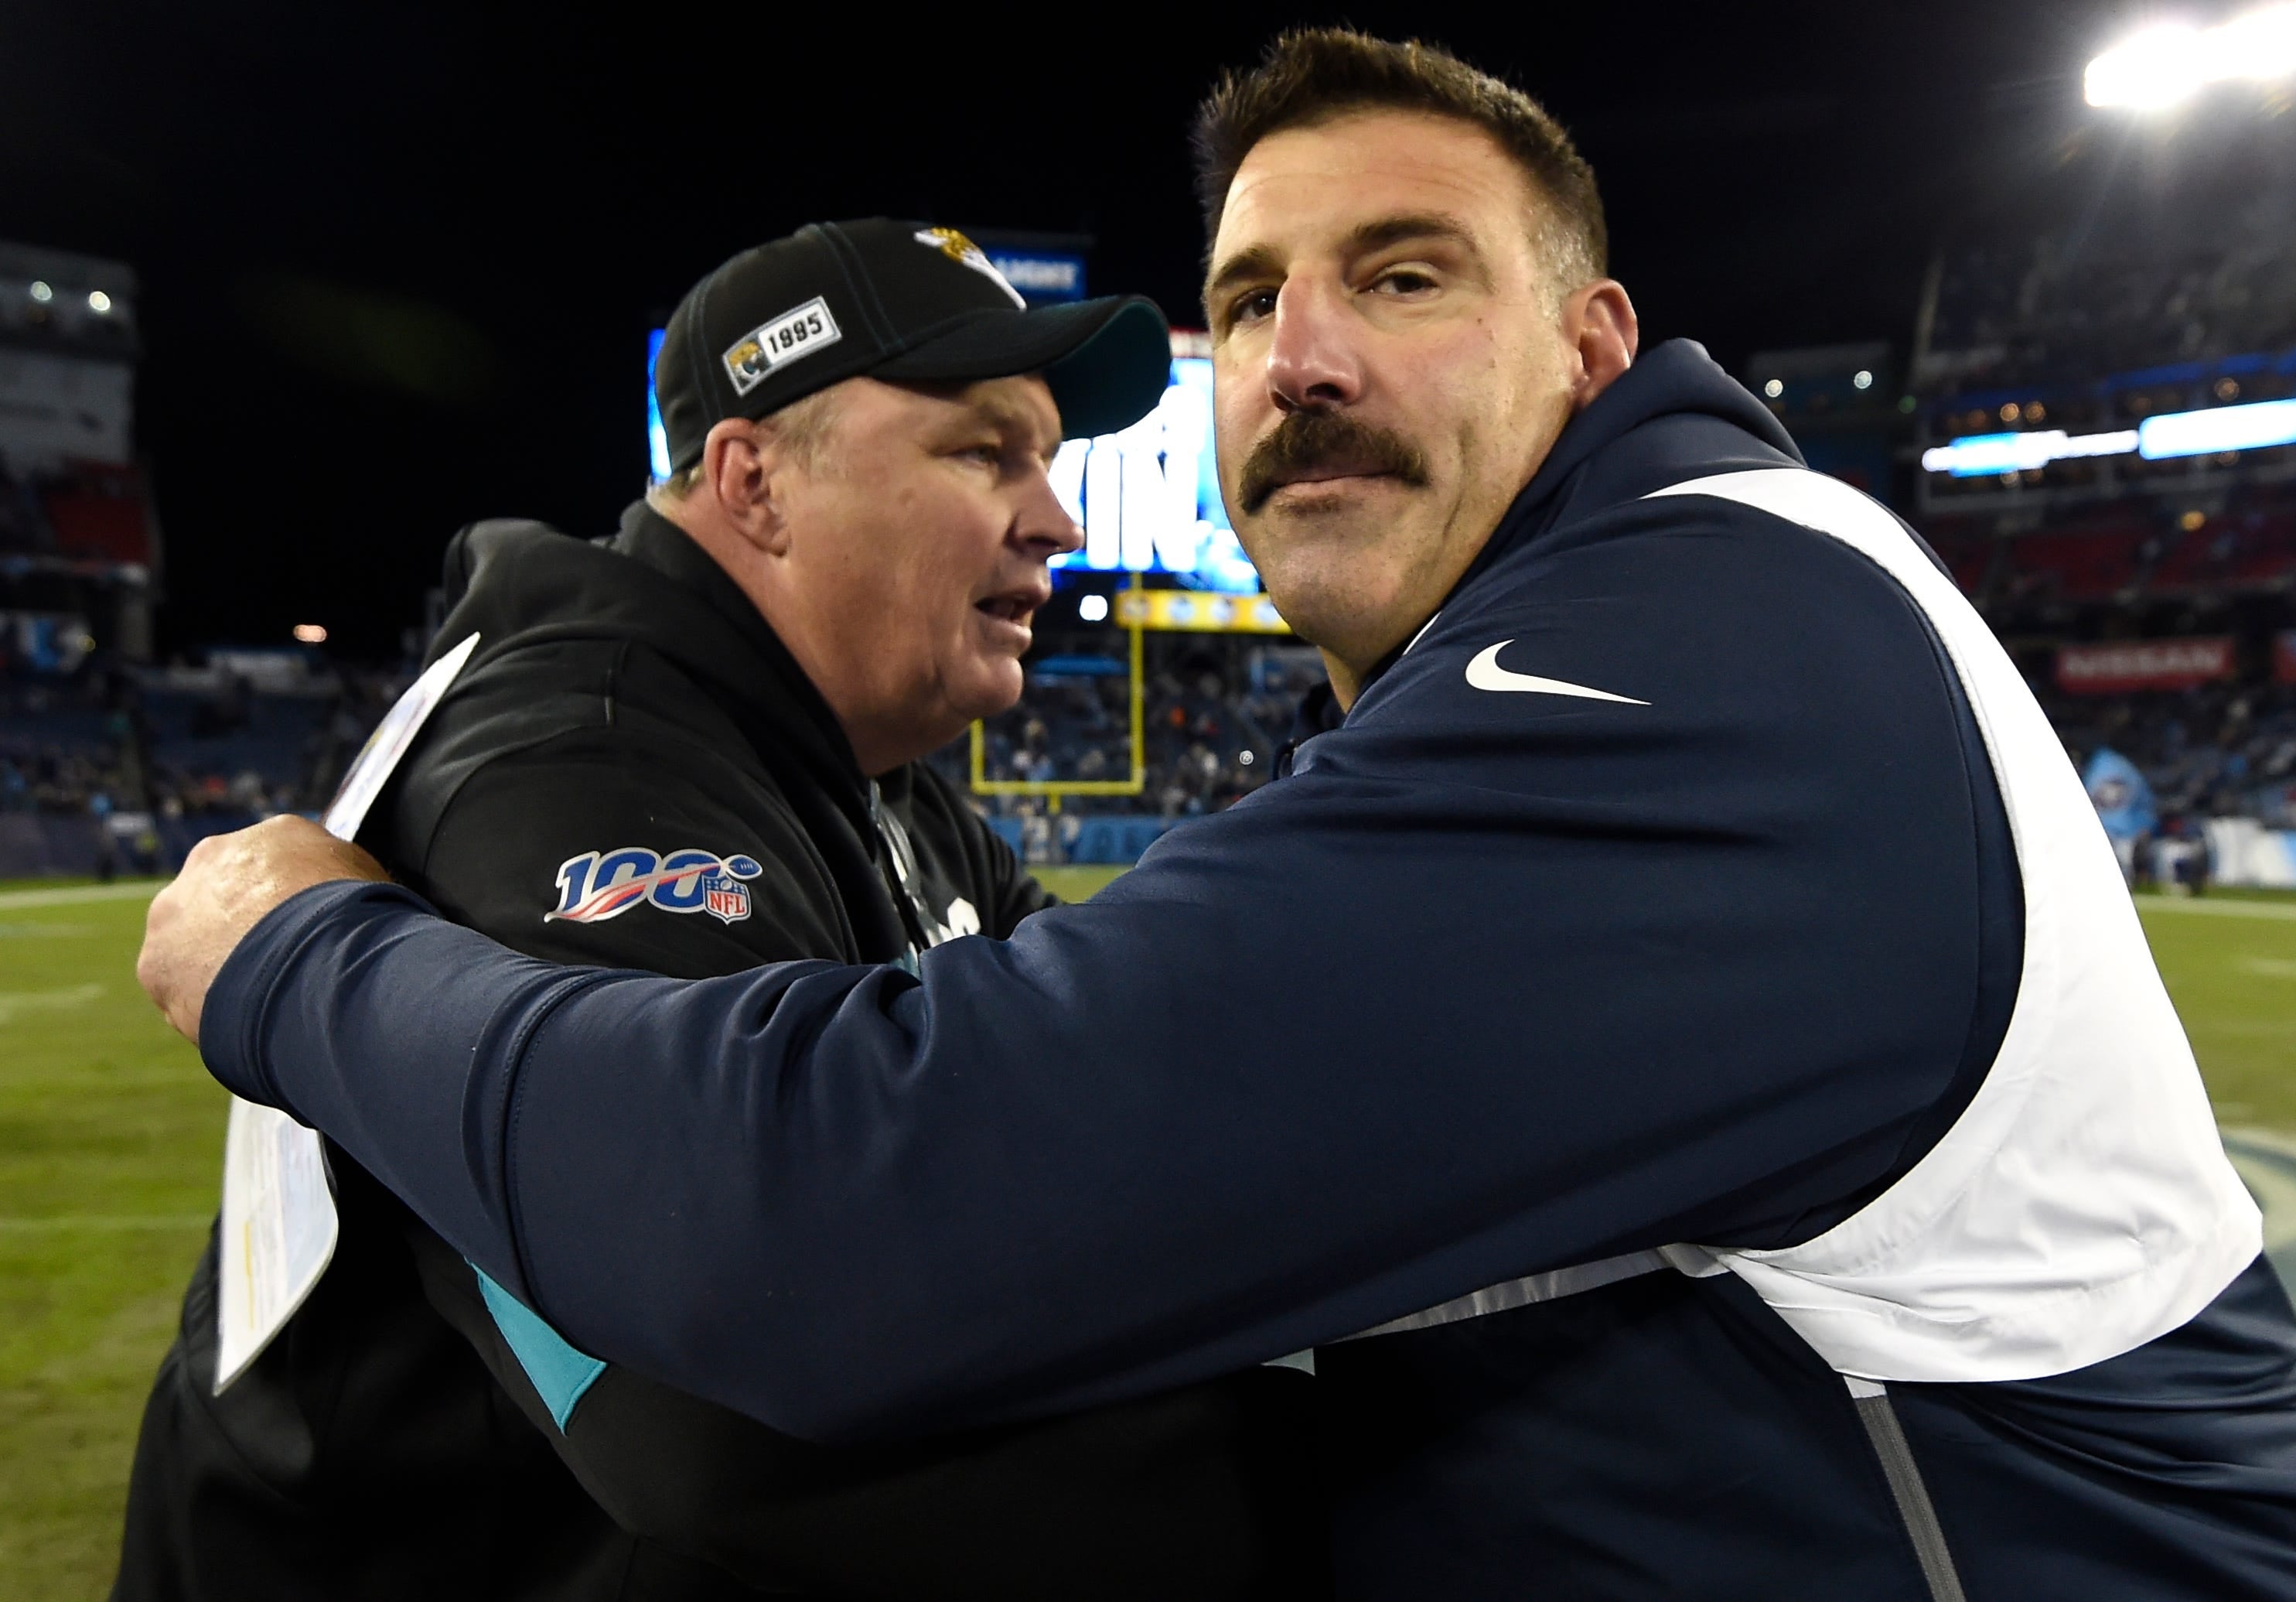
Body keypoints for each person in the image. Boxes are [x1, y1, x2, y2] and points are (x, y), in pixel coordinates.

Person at [140, 29, 2296, 1600]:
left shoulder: (1694, 651)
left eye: (1408, 275)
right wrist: (299, 947)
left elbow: (911, 1187)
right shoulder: (587, 741)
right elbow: (774, 1335)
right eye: (1252, 301)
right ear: (751, 476)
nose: (1293, 361)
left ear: (1595, 341)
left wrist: (306, 959)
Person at [115, 221, 1315, 1600]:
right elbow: (726, 1404)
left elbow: (1117, 1064)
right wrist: (1375, 1482)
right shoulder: (573, 758)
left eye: (1045, 460)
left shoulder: (864, 776)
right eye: (984, 452)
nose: (1056, 519)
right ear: (752, 482)